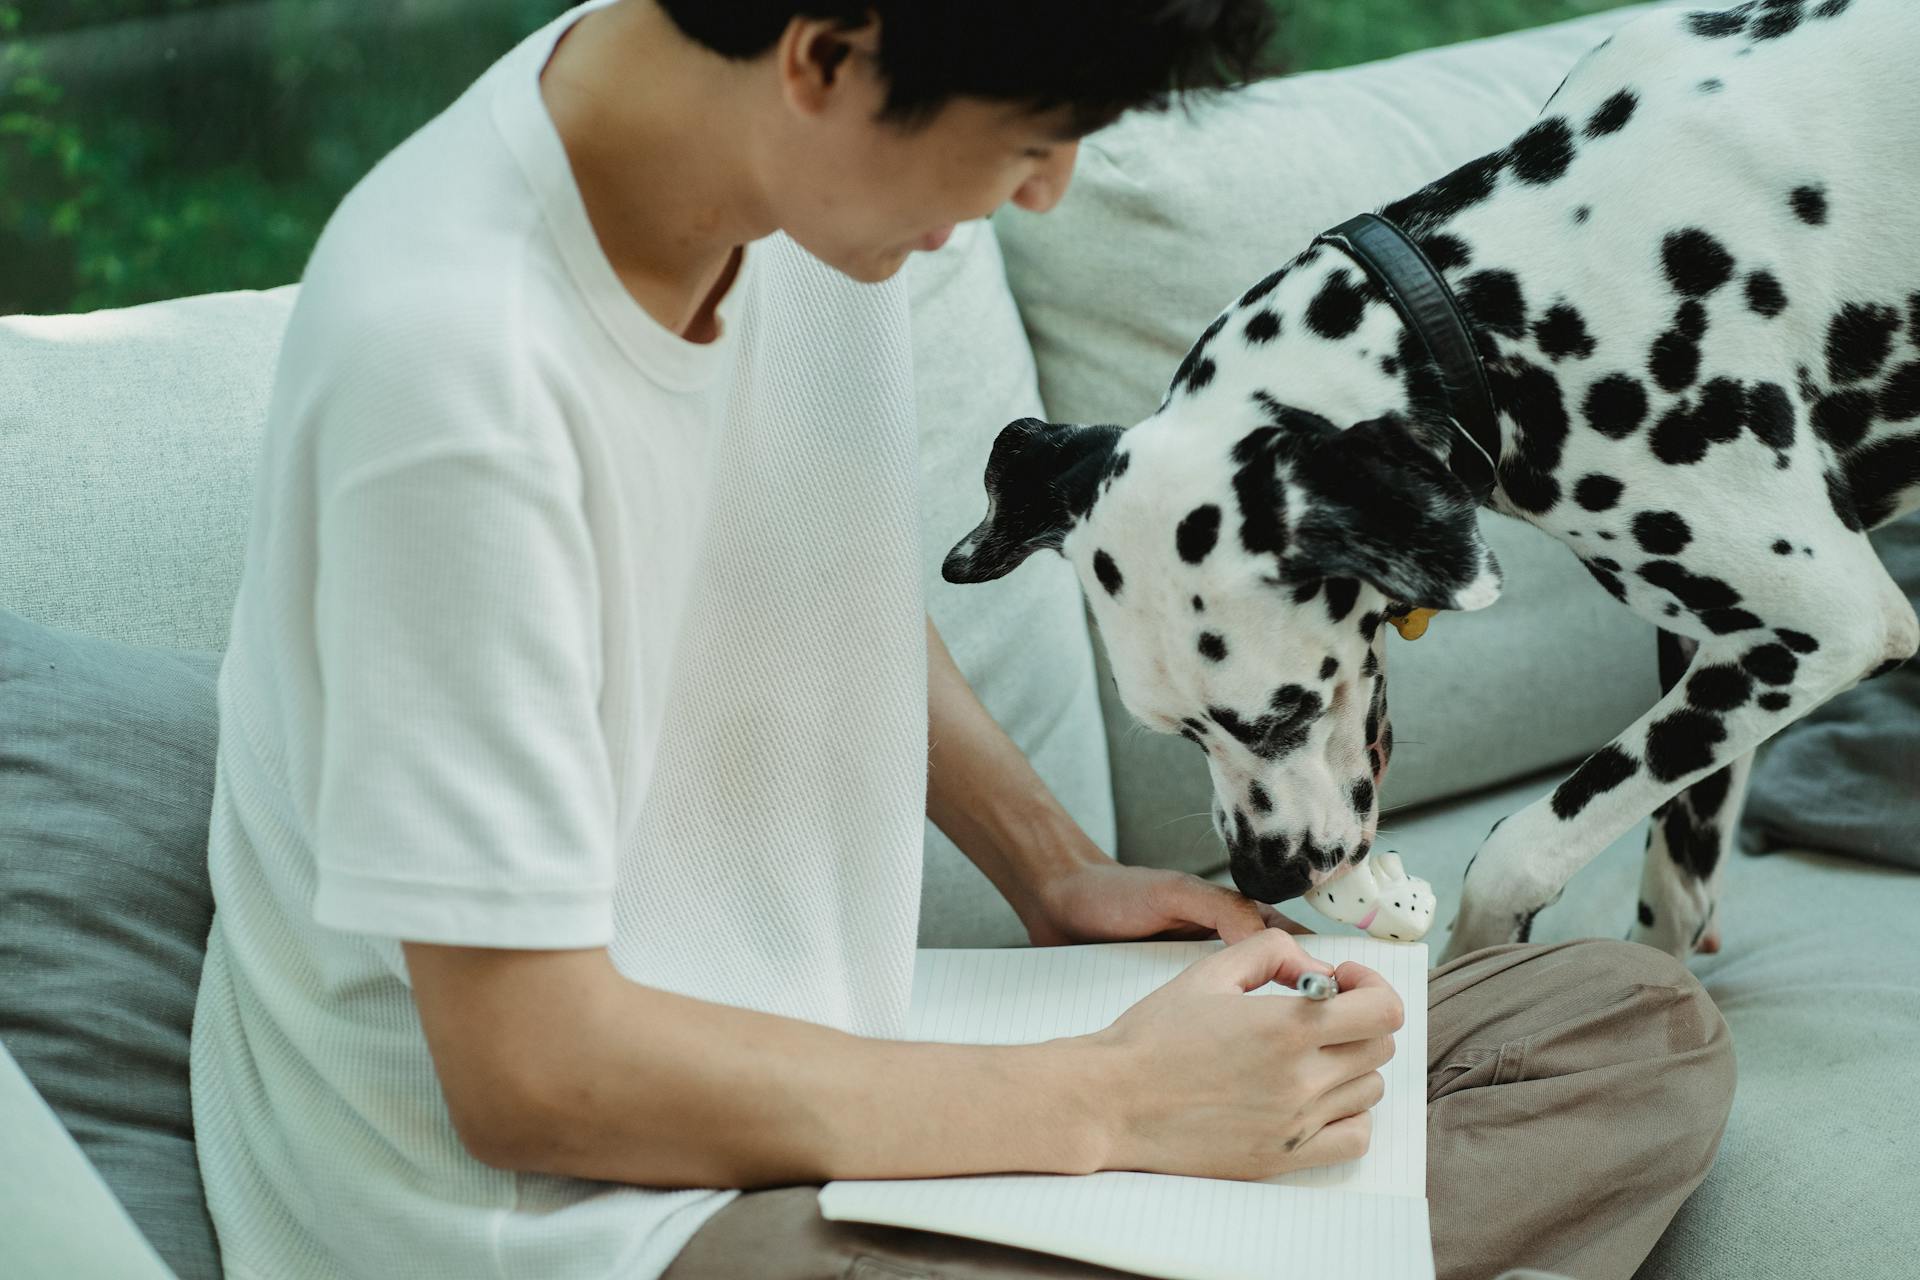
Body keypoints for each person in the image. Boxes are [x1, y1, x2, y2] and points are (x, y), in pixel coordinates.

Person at [187, 3, 1737, 1278]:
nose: (1047, 192)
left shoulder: (789, 193)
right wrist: (1113, 1107)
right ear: (823, 57)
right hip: (573, 1217)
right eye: (1031, 142)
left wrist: (1052, 872)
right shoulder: (456, 373)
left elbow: (800, 567)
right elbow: (532, 1078)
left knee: (1616, 1036)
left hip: (841, 1047)